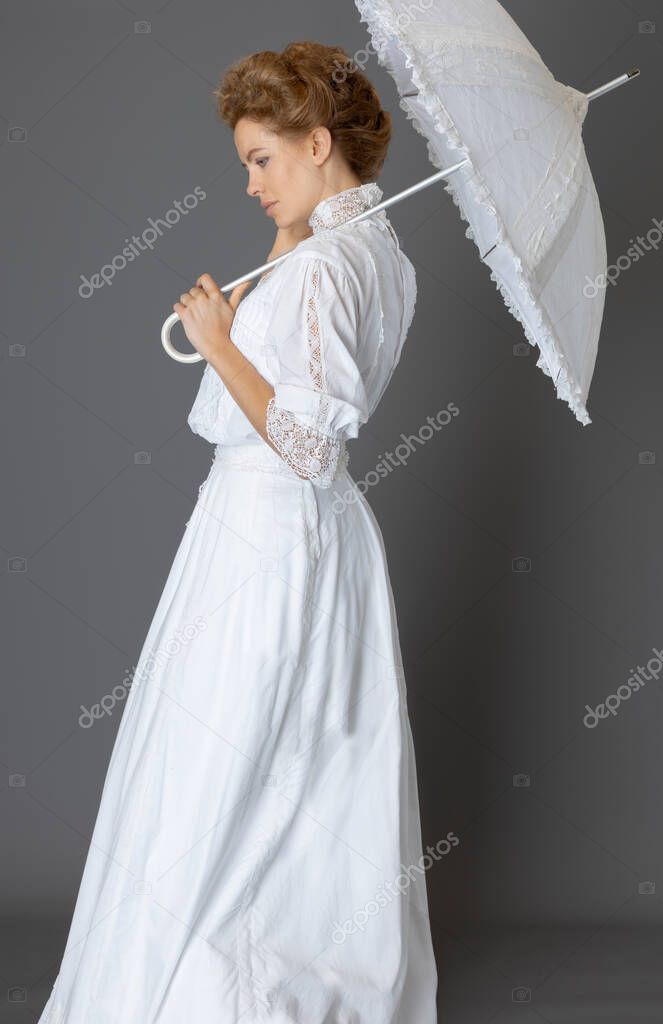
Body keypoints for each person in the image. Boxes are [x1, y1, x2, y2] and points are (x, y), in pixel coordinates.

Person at [38, 40, 438, 1023]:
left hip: (269, 529)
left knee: (227, 760)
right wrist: (271, 267)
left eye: (262, 159)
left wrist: (220, 343)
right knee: (288, 757)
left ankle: (225, 991)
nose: (252, 183)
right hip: (315, 537)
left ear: (315, 141)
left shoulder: (325, 269)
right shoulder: (373, 254)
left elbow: (303, 442)